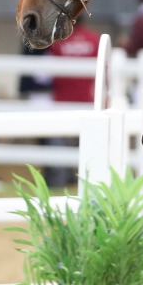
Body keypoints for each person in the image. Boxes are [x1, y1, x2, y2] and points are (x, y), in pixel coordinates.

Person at [46, 15, 102, 186]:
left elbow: (47, 72)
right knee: (89, 149)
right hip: (87, 101)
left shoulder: (57, 42)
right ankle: (88, 183)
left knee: (60, 150)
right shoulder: (95, 39)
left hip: (61, 101)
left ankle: (59, 182)